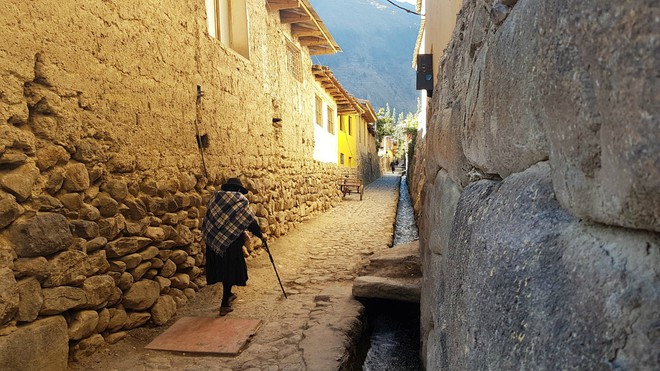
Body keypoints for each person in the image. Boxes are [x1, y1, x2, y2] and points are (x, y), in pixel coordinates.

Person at [201, 177, 263, 316]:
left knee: (221, 268)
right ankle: (224, 304)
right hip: (230, 242)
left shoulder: (215, 199)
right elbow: (249, 220)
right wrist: (260, 235)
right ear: (239, 190)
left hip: (214, 241)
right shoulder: (240, 200)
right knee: (229, 270)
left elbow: (208, 219)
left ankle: (228, 294)